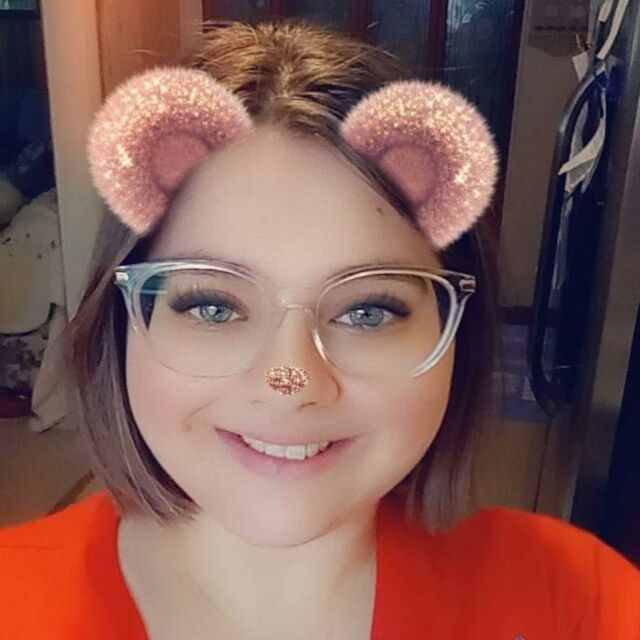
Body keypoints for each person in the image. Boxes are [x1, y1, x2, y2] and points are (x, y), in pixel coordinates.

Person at [1, 18, 638, 640]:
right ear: (120, 323)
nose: (292, 382)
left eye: (367, 312)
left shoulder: (577, 600)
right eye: (214, 307)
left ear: (455, 336)